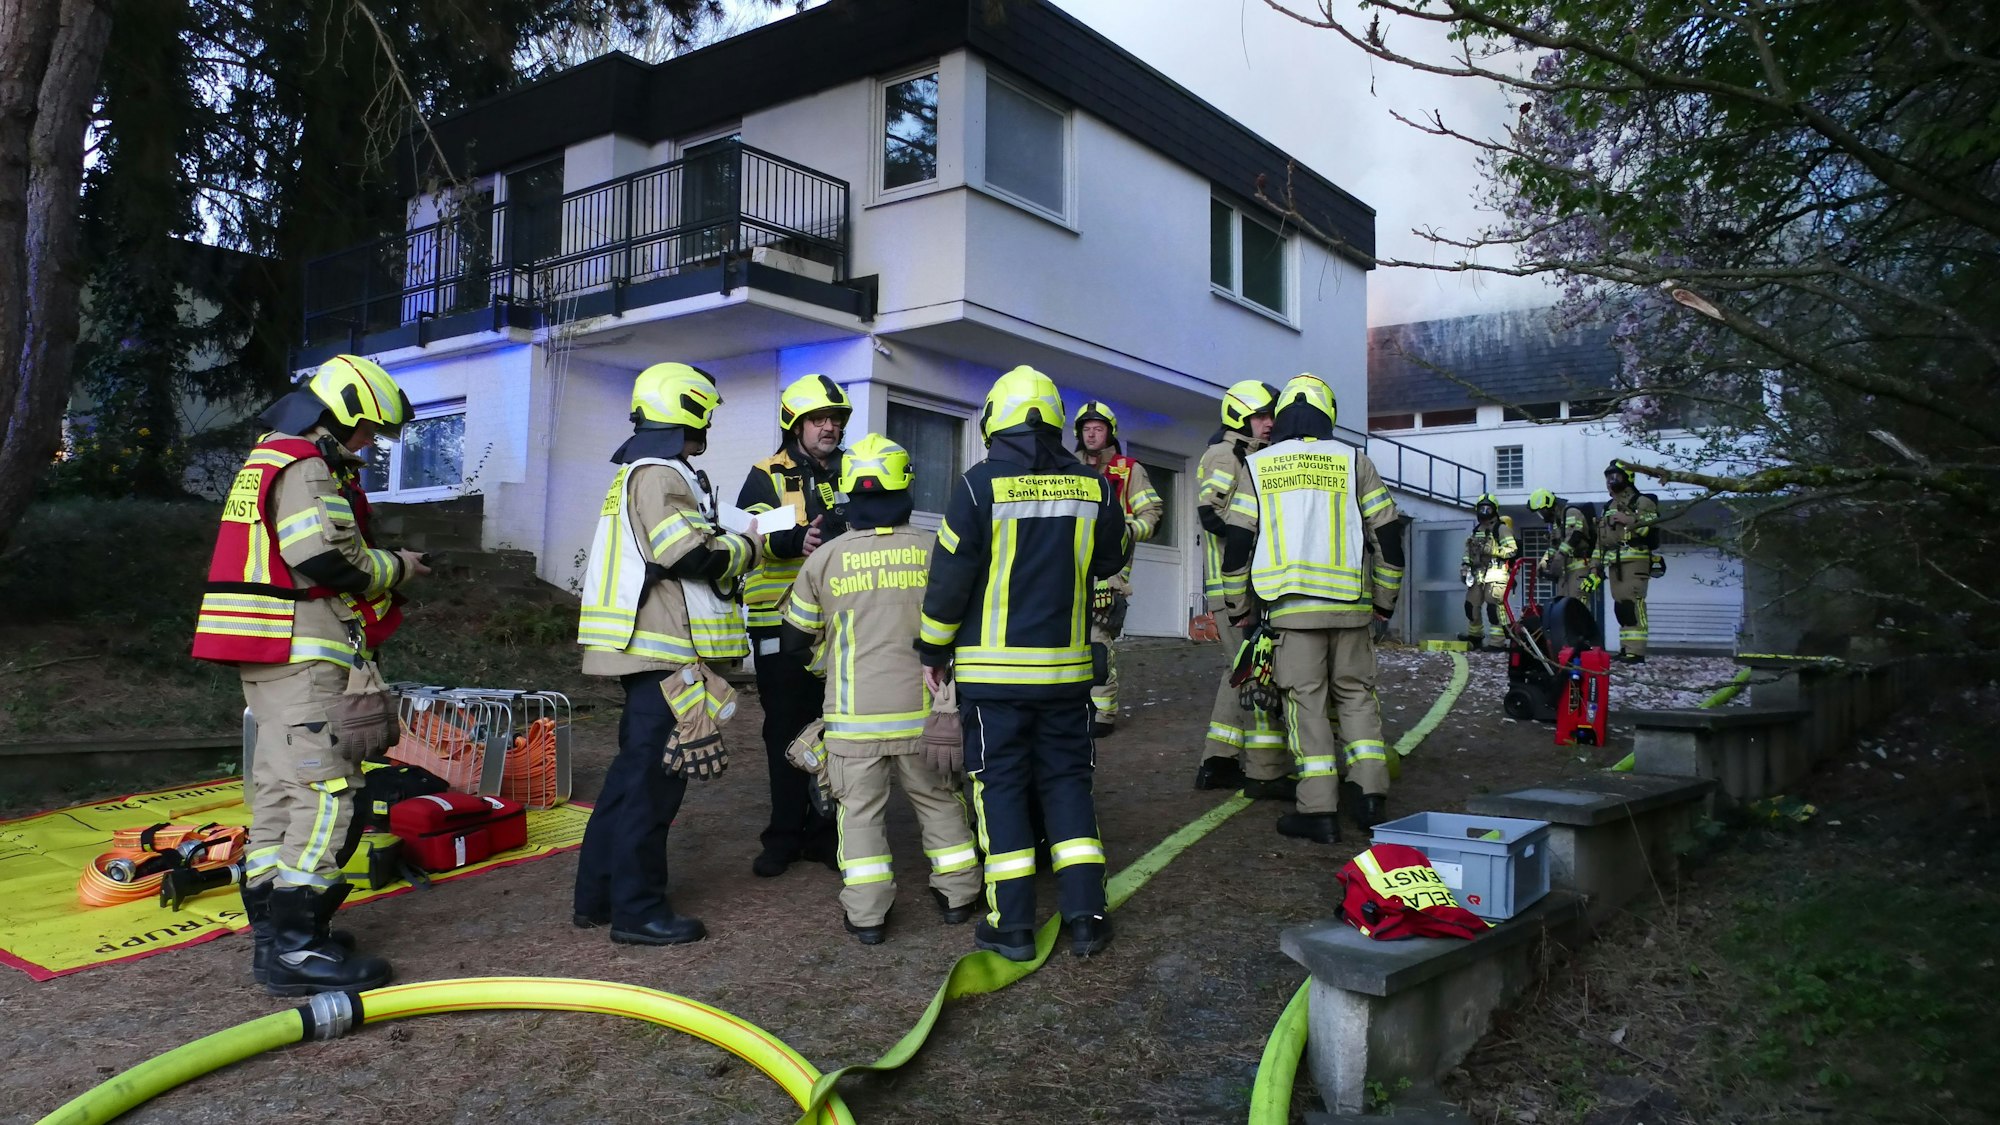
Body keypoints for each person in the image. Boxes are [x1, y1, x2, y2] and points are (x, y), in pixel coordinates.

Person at [192, 354, 428, 995]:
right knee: (328, 795)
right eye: (368, 431)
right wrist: (398, 567)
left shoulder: (268, 456)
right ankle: (300, 949)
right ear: (345, 413)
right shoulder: (307, 463)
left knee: (277, 790)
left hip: (267, 653)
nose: (370, 445)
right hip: (305, 652)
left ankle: (276, 934)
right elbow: (324, 556)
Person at [916, 365, 1130, 962]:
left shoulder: (978, 485)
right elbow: (1113, 556)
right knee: (1068, 787)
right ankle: (1087, 917)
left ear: (995, 422)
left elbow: (949, 580)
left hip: (993, 678)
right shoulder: (1094, 486)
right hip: (1065, 675)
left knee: (1001, 791)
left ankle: (1010, 926)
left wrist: (933, 651)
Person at [573, 362, 760, 946]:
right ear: (692, 410)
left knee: (629, 781)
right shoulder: (661, 474)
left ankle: (599, 897)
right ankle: (638, 910)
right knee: (654, 785)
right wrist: (747, 545)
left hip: (642, 651)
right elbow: (690, 557)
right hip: (664, 653)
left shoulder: (635, 472)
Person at [778, 434, 982, 945]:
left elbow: (793, 642)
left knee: (860, 816)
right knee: (939, 803)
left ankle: (867, 916)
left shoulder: (823, 560)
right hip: (926, 716)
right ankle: (959, 894)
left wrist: (830, 659)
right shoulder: (935, 551)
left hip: (852, 721)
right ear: (905, 491)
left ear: (849, 496)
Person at [1222, 375, 1405, 843]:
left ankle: (1318, 811)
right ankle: (1369, 797)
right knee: (1357, 696)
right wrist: (1384, 602)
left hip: (1291, 614)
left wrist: (1239, 607)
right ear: (1330, 414)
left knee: (1307, 705)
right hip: (1351, 608)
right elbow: (1388, 536)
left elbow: (1238, 544)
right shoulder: (1354, 460)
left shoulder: (1258, 466)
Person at [736, 374, 851, 876]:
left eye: (835, 419)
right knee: (783, 729)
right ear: (795, 424)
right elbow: (755, 533)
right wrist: (797, 541)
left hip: (839, 625)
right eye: (818, 420)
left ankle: (826, 835)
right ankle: (783, 835)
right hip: (777, 625)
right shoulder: (767, 473)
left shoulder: (854, 470)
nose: (829, 427)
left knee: (835, 729)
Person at [1192, 380, 1292, 799]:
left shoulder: (1252, 454)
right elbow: (1209, 512)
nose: (1269, 424)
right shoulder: (1225, 453)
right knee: (1256, 671)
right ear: (1239, 417)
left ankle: (1217, 764)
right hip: (1233, 587)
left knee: (1240, 672)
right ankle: (1262, 774)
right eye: (1261, 416)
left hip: (1245, 585)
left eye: (1272, 416)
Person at [1071, 400, 1163, 737]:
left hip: (1109, 574)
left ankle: (1102, 715)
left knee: (1098, 641)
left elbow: (1152, 514)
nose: (1091, 433)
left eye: (1098, 428)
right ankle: (1069, 710)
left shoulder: (1129, 469)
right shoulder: (1067, 467)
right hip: (1068, 568)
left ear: (1110, 432)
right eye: (1086, 428)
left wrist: (1126, 532)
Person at [1595, 458, 1661, 663]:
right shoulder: (1608, 506)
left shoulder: (1642, 502)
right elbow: (1601, 540)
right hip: (1615, 563)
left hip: (1635, 561)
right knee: (1621, 607)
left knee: (1634, 604)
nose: (1610, 481)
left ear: (1628, 478)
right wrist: (1595, 566)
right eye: (1608, 477)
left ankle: (1637, 652)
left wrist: (1629, 520)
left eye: (1615, 476)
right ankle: (1626, 649)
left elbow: (1650, 528)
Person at [1460, 493, 1517, 649]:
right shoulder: (1476, 529)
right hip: (1478, 572)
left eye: (1488, 508)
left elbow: (1512, 551)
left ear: (1494, 510)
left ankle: (1497, 643)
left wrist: (1492, 549)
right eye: (1481, 508)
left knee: (1494, 607)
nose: (1484, 511)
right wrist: (1465, 567)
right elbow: (1468, 551)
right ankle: (1475, 637)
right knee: (1471, 605)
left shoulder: (1501, 529)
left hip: (1496, 571)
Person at [1526, 488, 1596, 601]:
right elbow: (1554, 545)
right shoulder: (1556, 522)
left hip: (1579, 566)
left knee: (1577, 606)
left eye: (1541, 512)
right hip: (1566, 571)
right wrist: (1544, 562)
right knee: (1563, 606)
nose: (1542, 516)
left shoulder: (1571, 512)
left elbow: (1574, 537)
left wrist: (1559, 558)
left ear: (1548, 506)